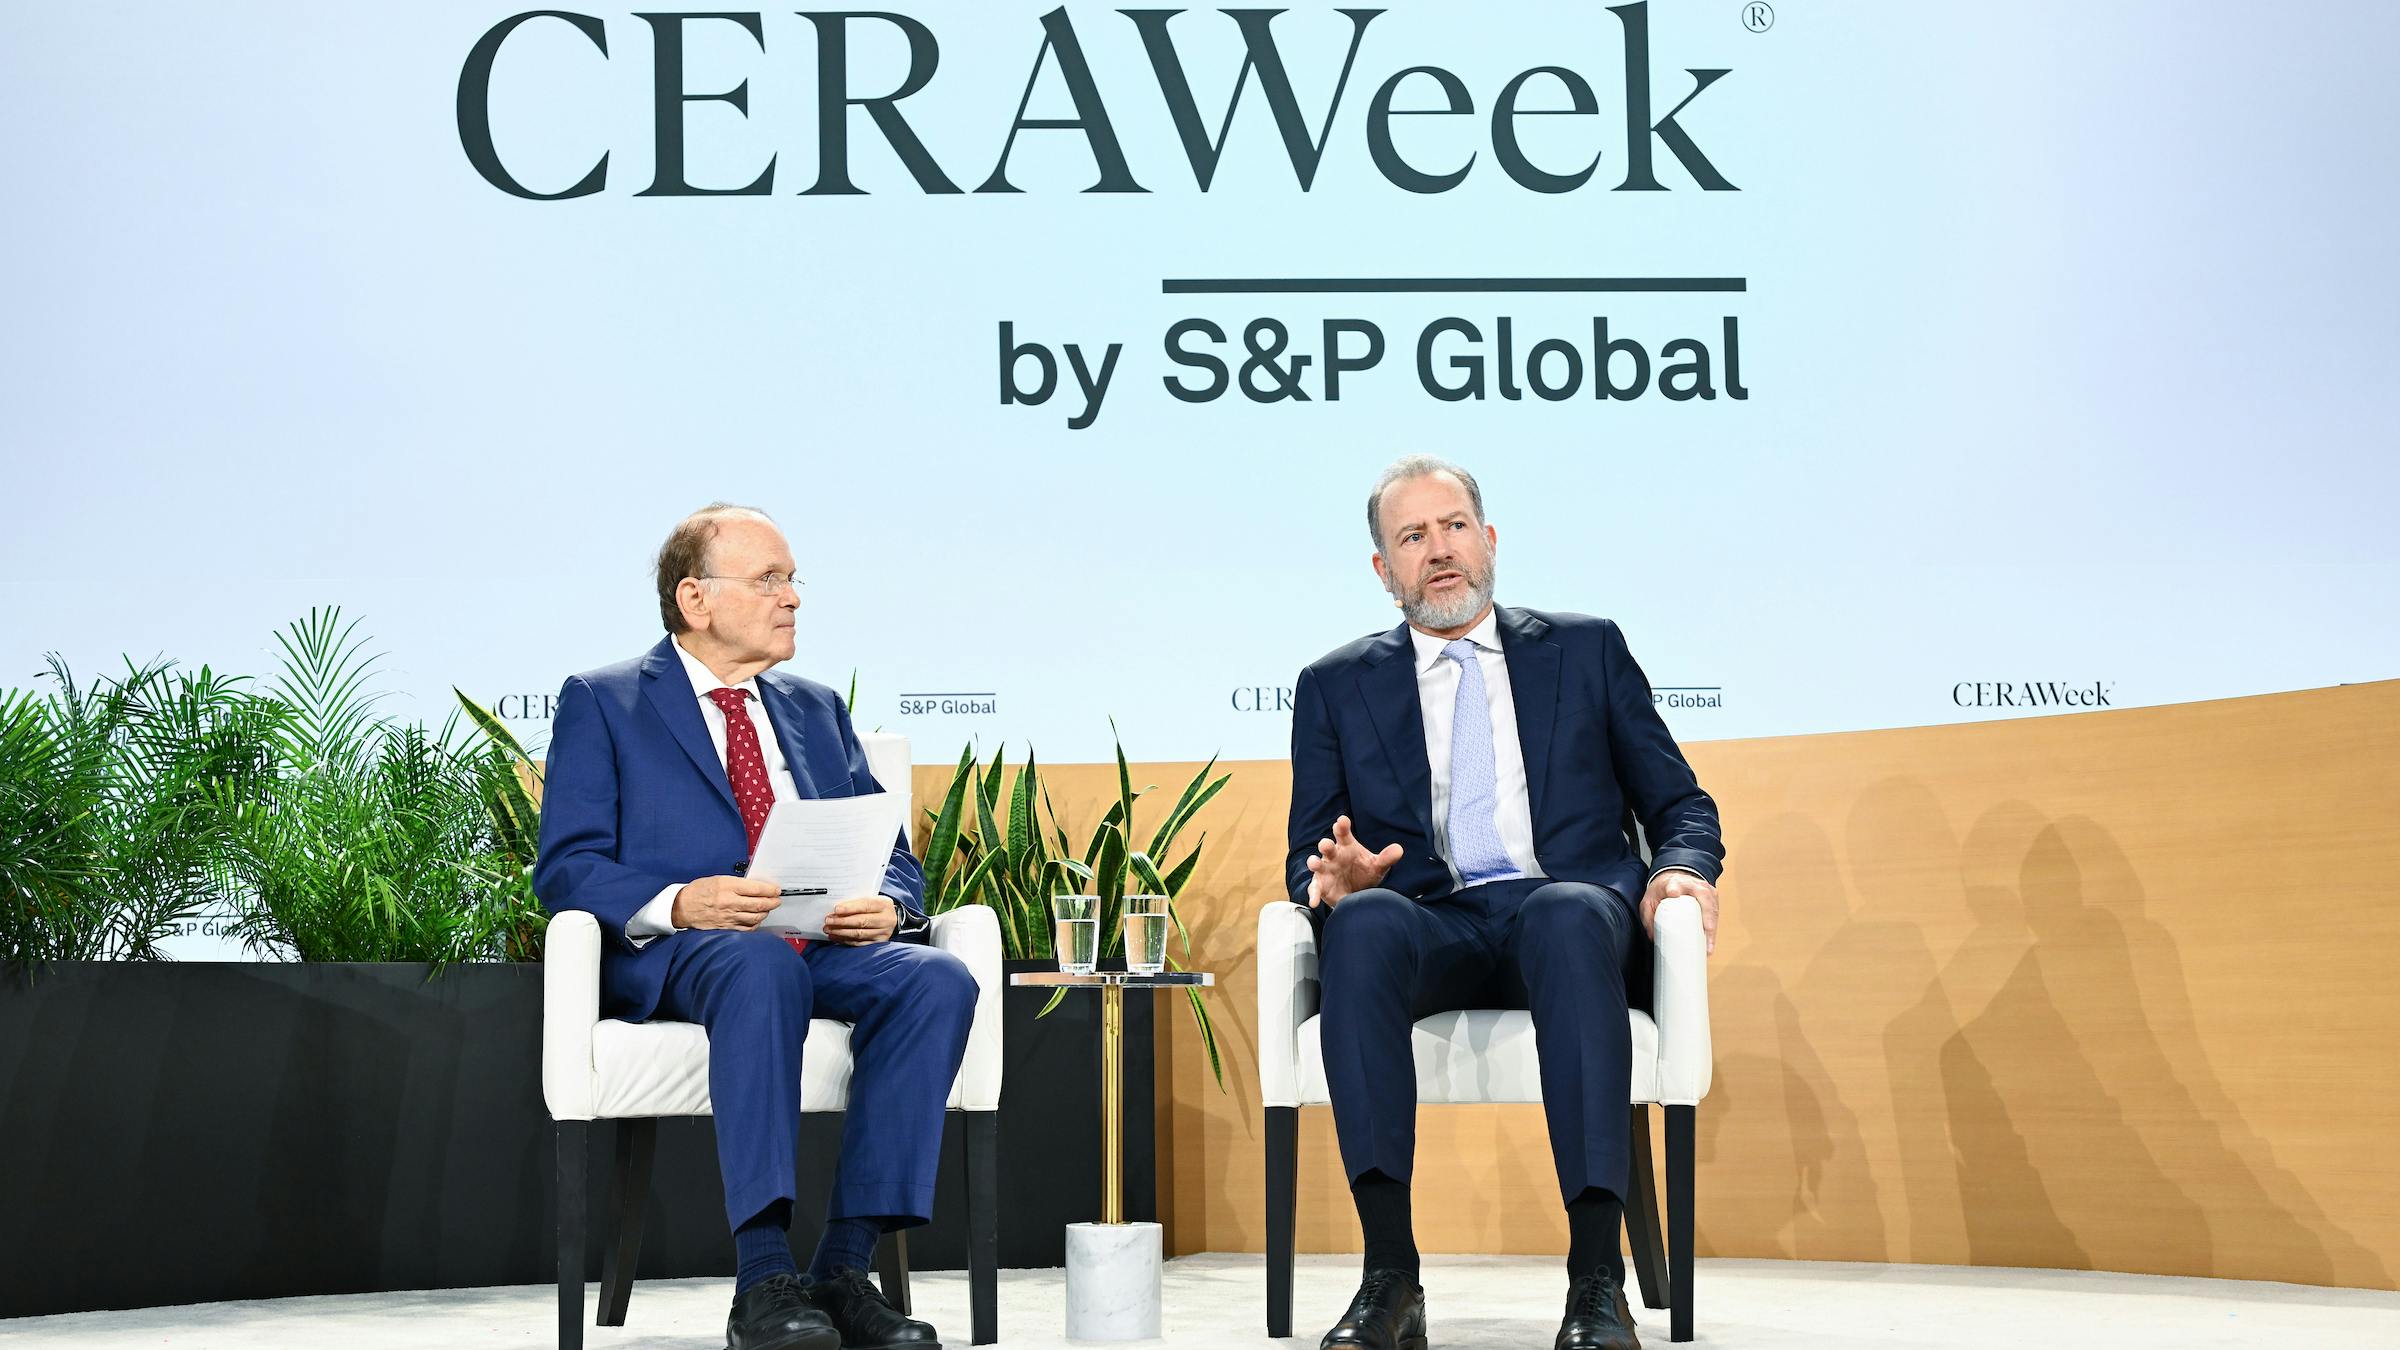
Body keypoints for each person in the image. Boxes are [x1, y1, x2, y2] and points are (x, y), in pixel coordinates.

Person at [1286, 457, 1725, 1350]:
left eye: (1452, 527)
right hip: (1430, 918)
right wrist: (1335, 882)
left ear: (1488, 541)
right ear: (1383, 569)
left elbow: (1680, 804)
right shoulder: (1335, 684)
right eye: (1412, 537)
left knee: (1566, 912)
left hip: (1561, 909)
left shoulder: (1587, 646)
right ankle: (1389, 1279)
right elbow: (1310, 852)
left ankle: (1596, 1282)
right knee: (1364, 927)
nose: (1437, 551)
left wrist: (1683, 868)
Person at [535, 503, 976, 1350]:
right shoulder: (606, 701)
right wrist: (680, 902)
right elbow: (568, 866)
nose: (793, 598)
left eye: (792, 579)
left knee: (936, 979)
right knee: (755, 966)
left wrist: (888, 904)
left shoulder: (813, 707)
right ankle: (763, 1278)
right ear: (695, 599)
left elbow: (891, 850)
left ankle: (843, 1269)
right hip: (685, 954)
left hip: (817, 944)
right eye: (769, 580)